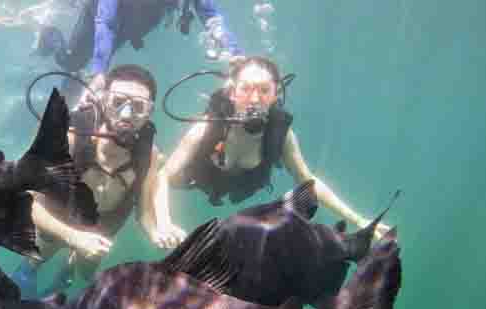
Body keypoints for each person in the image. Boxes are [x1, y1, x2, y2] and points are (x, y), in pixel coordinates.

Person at [150, 56, 392, 249]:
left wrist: (358, 220)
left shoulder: (280, 134)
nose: (254, 98)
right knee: (159, 171)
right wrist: (164, 223)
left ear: (275, 95)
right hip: (199, 179)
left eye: (264, 90)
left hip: (245, 187)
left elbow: (308, 181)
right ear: (233, 93)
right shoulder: (208, 127)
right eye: (246, 89)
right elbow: (163, 176)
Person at [12, 64, 162, 296]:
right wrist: (72, 236)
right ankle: (28, 273)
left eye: (138, 107)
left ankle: (67, 272)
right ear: (102, 100)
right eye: (117, 101)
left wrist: (156, 232)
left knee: (83, 271)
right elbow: (27, 199)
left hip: (101, 231)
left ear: (149, 113)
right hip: (56, 217)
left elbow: (144, 212)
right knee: (38, 256)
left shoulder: (149, 155)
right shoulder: (68, 138)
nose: (126, 114)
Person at [38, 0, 242, 92]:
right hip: (100, 15)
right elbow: (106, 22)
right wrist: (99, 71)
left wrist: (233, 51)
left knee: (104, 51)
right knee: (70, 62)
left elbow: (212, 15)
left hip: (137, 23)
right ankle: (50, 35)